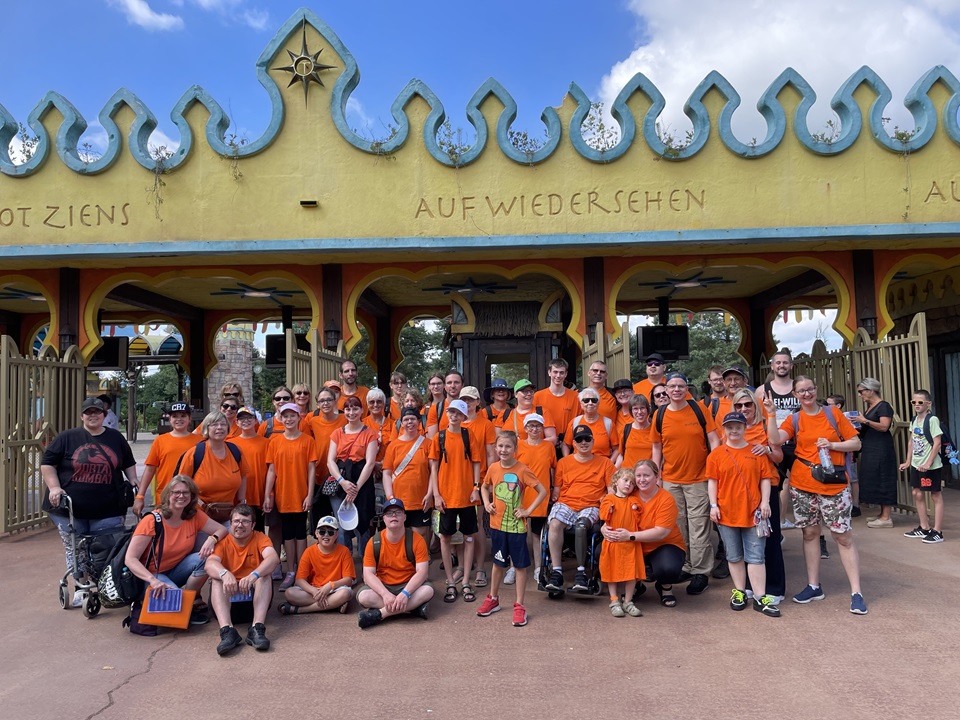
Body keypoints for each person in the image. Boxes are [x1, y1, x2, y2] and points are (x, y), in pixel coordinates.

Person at [774, 376, 867, 615]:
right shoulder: (794, 419)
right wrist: (769, 414)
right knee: (810, 533)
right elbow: (774, 440)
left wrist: (832, 446)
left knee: (842, 536)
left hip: (833, 484)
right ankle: (814, 585)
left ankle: (856, 592)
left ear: (816, 390)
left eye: (810, 389)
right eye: (801, 391)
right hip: (803, 483)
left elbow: (855, 443)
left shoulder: (832, 414)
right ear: (795, 395)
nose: (806, 394)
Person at [41, 397, 140, 607]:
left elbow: (128, 462)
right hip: (70, 508)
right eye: (88, 412)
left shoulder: (115, 437)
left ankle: (108, 584)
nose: (93, 415)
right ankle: (81, 586)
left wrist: (133, 481)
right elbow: (47, 463)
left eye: (97, 412)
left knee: (108, 547)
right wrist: (54, 487)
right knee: (76, 548)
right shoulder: (68, 437)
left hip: (108, 506)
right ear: (82, 416)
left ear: (104, 415)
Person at [124, 476, 226, 634]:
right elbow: (130, 559)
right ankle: (150, 598)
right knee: (171, 600)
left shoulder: (193, 516)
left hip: (175, 569)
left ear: (192, 496)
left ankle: (188, 601)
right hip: (149, 575)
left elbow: (222, 530)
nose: (181, 496)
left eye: (186, 492)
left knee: (208, 558)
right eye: (176, 492)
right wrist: (153, 581)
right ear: (167, 495)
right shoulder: (152, 520)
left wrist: (212, 539)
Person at [650, 372, 720, 595]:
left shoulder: (699, 410)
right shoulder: (660, 415)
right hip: (671, 479)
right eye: (672, 387)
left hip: (698, 478)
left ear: (686, 388)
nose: (677, 390)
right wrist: (655, 475)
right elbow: (656, 448)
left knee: (699, 526)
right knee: (678, 526)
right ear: (666, 390)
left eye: (681, 386)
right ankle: (687, 565)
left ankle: (700, 571)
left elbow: (714, 439)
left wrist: (716, 468)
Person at [706, 412, 780, 617]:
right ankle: (739, 591)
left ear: (745, 428)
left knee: (756, 556)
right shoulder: (717, 455)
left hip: (753, 512)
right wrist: (713, 505)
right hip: (727, 512)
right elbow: (713, 481)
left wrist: (765, 502)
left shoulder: (756, 452)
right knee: (734, 555)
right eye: (730, 427)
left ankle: (759, 596)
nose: (734, 430)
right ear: (724, 429)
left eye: (738, 426)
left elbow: (765, 478)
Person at [477, 431, 547, 626]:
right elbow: (484, 486)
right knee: (498, 563)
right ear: (495, 448)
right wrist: (487, 502)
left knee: (519, 566)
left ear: (515, 449)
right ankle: (493, 598)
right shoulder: (492, 468)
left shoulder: (522, 470)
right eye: (500, 446)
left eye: (508, 446)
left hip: (516, 528)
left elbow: (542, 491)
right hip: (497, 526)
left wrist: (528, 511)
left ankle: (519, 605)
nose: (503, 450)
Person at [730, 388, 786, 602]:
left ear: (755, 405)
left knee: (768, 538)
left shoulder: (764, 426)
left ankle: (774, 589)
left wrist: (768, 451)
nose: (744, 409)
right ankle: (750, 585)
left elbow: (780, 457)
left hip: (766, 489)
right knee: (745, 538)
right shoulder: (733, 428)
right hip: (740, 490)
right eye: (739, 405)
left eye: (748, 404)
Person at [545, 425, 616, 592]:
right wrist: (552, 497)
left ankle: (581, 572)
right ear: (574, 443)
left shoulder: (605, 463)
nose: (583, 442)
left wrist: (608, 498)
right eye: (579, 439)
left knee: (582, 526)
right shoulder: (563, 463)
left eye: (587, 439)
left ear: (593, 441)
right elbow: (557, 490)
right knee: (554, 523)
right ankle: (556, 572)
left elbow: (611, 489)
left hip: (591, 505)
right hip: (567, 503)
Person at [204, 504, 280, 655]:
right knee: (217, 578)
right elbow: (209, 564)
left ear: (252, 525)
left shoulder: (260, 538)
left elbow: (273, 558)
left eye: (245, 521)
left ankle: (257, 628)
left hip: (253, 605)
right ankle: (227, 631)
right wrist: (225, 574)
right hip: (228, 604)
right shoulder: (223, 542)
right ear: (230, 524)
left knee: (264, 575)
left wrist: (254, 575)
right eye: (236, 521)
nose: (240, 525)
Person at [429, 399, 483, 603]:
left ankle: (466, 580)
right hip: (446, 497)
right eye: (450, 412)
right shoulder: (439, 437)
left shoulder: (469, 436)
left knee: (469, 537)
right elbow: (433, 467)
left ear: (463, 416)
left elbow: (477, 463)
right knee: (445, 538)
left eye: (457, 413)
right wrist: (436, 494)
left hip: (467, 497)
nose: (453, 415)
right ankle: (450, 581)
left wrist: (476, 488)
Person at [263, 403, 318, 591]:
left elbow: (312, 470)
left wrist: (310, 494)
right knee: (288, 534)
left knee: (301, 533)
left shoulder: (307, 440)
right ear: (281, 417)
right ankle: (291, 571)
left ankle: (302, 571)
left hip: (301, 493)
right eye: (285, 416)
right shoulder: (274, 441)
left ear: (298, 418)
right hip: (283, 494)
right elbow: (271, 470)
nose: (288, 419)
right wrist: (267, 495)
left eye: (292, 416)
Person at [357, 498, 434, 628]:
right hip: (384, 585)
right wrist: (385, 594)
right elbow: (368, 574)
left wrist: (405, 594)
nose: (393, 516)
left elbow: (422, 572)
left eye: (398, 512)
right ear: (384, 518)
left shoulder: (417, 539)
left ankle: (380, 614)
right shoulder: (374, 541)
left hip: (409, 586)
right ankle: (413, 609)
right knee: (363, 596)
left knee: (428, 590)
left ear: (404, 517)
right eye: (389, 513)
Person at [619, 460, 686, 608]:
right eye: (638, 475)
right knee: (601, 551)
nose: (642, 480)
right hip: (636, 544)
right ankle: (636, 585)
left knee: (668, 569)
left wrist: (630, 536)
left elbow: (660, 533)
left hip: (663, 545)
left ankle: (665, 587)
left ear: (657, 477)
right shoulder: (629, 494)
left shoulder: (666, 499)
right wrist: (605, 528)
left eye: (647, 475)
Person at [326, 395, 379, 555]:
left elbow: (370, 463)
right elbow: (330, 461)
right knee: (342, 524)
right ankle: (346, 563)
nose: (351, 412)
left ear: (362, 410)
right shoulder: (337, 433)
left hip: (361, 481)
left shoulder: (370, 433)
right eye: (348, 409)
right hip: (341, 480)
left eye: (355, 408)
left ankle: (366, 563)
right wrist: (342, 482)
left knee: (362, 522)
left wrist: (355, 488)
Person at [755, 349, 802, 527]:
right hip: (774, 445)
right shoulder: (762, 390)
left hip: (798, 443)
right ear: (772, 366)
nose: (781, 365)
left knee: (807, 488)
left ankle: (817, 535)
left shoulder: (798, 387)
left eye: (785, 362)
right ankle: (777, 527)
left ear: (791, 365)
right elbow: (757, 418)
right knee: (774, 486)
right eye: (778, 362)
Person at [176, 410, 249, 519]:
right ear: (206, 428)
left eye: (223, 424)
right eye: (214, 424)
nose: (219, 427)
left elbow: (243, 476)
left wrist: (241, 502)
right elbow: (181, 483)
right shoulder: (195, 453)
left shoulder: (235, 451)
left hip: (228, 514)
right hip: (199, 515)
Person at [278, 515, 355, 615]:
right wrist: (314, 591)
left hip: (334, 590)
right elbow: (300, 580)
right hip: (314, 590)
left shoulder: (344, 551)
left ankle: (299, 610)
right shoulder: (309, 551)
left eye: (330, 532)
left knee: (345, 593)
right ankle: (334, 605)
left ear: (336, 535)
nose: (326, 535)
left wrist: (330, 586)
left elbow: (348, 580)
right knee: (289, 593)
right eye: (322, 532)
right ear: (316, 533)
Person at [847, 378, 897, 528]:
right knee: (874, 477)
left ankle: (886, 517)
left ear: (870, 390)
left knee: (883, 478)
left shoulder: (884, 406)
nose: (860, 395)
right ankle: (882, 514)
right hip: (871, 447)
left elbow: (884, 426)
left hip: (881, 448)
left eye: (861, 392)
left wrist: (865, 421)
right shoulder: (870, 407)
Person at [136, 401, 201, 515]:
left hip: (191, 498)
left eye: (183, 416)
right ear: (169, 419)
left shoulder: (200, 442)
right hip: (165, 497)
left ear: (189, 418)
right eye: (174, 416)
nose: (179, 419)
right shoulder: (160, 441)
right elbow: (150, 469)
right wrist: (140, 496)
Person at [900, 390, 945, 543]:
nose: (917, 405)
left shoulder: (932, 420)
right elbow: (911, 441)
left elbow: (937, 442)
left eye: (920, 402)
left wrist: (928, 463)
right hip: (916, 464)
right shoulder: (914, 420)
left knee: (935, 495)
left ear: (928, 404)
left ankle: (937, 531)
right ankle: (924, 527)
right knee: (917, 493)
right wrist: (907, 461)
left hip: (930, 466)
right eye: (914, 402)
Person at [515, 413, 556, 582]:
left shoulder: (548, 446)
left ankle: (539, 568)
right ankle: (515, 565)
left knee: (537, 533)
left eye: (538, 426)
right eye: (531, 426)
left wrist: (553, 488)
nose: (534, 429)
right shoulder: (518, 445)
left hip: (540, 495)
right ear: (525, 428)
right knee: (518, 532)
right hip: (520, 495)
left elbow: (553, 468)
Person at [382, 407, 433, 543]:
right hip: (399, 500)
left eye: (413, 419)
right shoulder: (393, 445)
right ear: (401, 423)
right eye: (406, 419)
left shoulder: (428, 444)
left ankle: (421, 562)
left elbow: (434, 471)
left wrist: (430, 494)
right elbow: (386, 473)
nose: (409, 422)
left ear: (419, 422)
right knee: (400, 536)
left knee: (420, 535)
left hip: (421, 499)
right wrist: (390, 497)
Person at [599, 469, 645, 618]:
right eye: (625, 480)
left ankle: (628, 601)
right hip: (613, 542)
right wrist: (609, 510)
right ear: (615, 482)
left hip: (630, 544)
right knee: (611, 571)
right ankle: (614, 600)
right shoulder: (609, 499)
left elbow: (639, 515)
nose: (628, 484)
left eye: (632, 483)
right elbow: (603, 514)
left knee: (631, 572)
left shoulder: (633, 500)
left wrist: (636, 509)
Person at [534, 358, 580, 450]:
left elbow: (581, 420)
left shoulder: (576, 397)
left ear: (566, 374)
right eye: (555, 372)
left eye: (561, 372)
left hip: (569, 445)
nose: (558, 376)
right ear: (549, 372)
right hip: (545, 444)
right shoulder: (537, 397)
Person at [562, 388, 618, 460]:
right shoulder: (575, 422)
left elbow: (616, 449)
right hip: (579, 466)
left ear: (598, 403)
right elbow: (566, 445)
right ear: (581, 404)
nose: (590, 403)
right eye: (586, 400)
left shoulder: (608, 423)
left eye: (594, 400)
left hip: (601, 467)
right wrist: (568, 461)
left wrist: (610, 463)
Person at [499, 379, 558, 445]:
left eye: (531, 391)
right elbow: (497, 440)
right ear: (515, 394)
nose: (529, 394)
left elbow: (552, 438)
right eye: (525, 391)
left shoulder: (542, 412)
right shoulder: (505, 414)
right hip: (512, 454)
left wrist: (530, 445)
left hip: (536, 453)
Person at [617, 394, 653, 470]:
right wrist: (614, 472)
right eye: (635, 409)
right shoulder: (626, 429)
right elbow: (621, 455)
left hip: (646, 476)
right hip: (628, 475)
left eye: (642, 408)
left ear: (647, 410)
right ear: (631, 411)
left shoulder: (654, 429)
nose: (639, 412)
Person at [426, 369, 463, 437]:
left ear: (462, 385)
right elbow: (433, 440)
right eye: (449, 383)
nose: (453, 386)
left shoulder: (469, 407)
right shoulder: (435, 409)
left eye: (456, 382)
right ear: (444, 386)